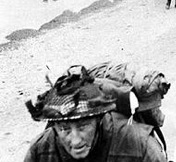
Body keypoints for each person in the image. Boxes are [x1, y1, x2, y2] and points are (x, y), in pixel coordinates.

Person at [24, 65, 167, 162]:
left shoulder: (140, 144)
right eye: (64, 129)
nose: (75, 140)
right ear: (54, 127)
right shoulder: (40, 150)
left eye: (83, 127)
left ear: (99, 119)